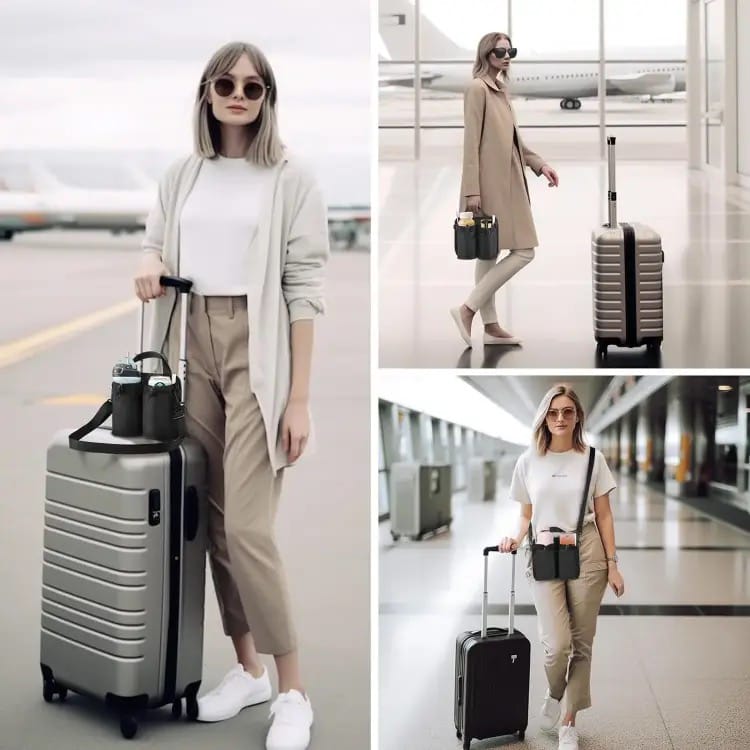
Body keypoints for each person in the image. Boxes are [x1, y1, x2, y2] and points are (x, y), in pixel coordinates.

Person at [134, 40, 329, 750]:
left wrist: (298, 399)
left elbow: (305, 291)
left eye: (254, 85)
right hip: (194, 347)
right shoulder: (182, 174)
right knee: (213, 524)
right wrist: (151, 259)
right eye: (227, 83)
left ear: (268, 96)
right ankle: (245, 670)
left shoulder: (290, 177)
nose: (240, 94)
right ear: (207, 93)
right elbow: (154, 242)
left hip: (260, 350)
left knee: (249, 527)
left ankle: (294, 691)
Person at [498, 384, 625, 750]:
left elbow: (604, 514)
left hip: (586, 548)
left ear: (578, 417)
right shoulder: (528, 461)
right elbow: (526, 515)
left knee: (582, 644)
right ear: (544, 417)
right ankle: (555, 694)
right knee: (557, 644)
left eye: (568, 412)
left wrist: (612, 564)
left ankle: (569, 722)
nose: (560, 419)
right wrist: (514, 537)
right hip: (543, 549)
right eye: (553, 412)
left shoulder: (592, 459)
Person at [450, 32, 559, 348]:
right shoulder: (477, 89)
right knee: (524, 250)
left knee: (489, 252)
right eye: (500, 50)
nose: (507, 55)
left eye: (511, 50)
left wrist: (539, 165)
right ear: (486, 53)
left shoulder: (500, 90)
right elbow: (471, 143)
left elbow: (514, 142)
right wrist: (472, 190)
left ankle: (491, 325)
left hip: (507, 181)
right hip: (489, 185)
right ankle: (467, 309)